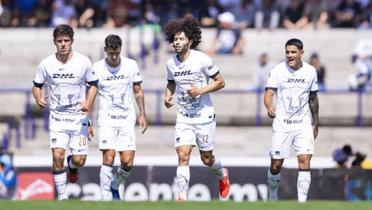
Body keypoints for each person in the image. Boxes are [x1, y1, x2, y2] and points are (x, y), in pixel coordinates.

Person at [163, 15, 230, 201]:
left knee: (206, 158)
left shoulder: (202, 59)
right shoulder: (170, 63)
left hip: (204, 116)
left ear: (190, 40)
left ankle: (222, 174)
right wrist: (168, 95)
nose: (177, 42)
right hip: (184, 117)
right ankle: (182, 197)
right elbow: (171, 83)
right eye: (175, 39)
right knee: (183, 154)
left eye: (181, 38)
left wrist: (200, 90)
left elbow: (221, 82)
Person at [32, 24, 98, 200]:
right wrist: (38, 98)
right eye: (59, 41)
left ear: (72, 41)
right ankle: (62, 198)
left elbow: (93, 85)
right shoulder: (46, 64)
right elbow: (36, 85)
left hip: (78, 118)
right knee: (57, 155)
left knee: (79, 160)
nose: (63, 44)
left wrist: (88, 103)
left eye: (66, 41)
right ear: (54, 42)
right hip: (57, 118)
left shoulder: (83, 62)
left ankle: (72, 166)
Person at [264, 38, 319, 203]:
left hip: (303, 124)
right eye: (287, 52)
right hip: (283, 125)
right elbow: (268, 93)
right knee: (276, 165)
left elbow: (313, 99)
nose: (290, 55)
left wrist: (315, 123)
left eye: (293, 52)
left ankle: (302, 203)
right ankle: (272, 195)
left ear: (301, 53)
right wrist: (269, 106)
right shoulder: (277, 70)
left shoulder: (310, 71)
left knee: (304, 160)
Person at [93, 34, 147, 201]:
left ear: (120, 50)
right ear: (105, 51)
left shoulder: (131, 65)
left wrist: (142, 114)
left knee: (128, 162)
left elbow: (137, 91)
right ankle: (105, 197)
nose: (114, 57)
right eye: (111, 53)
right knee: (109, 156)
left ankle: (114, 185)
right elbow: (91, 94)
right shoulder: (97, 68)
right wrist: (87, 120)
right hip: (107, 118)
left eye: (116, 53)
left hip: (126, 119)